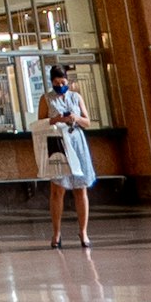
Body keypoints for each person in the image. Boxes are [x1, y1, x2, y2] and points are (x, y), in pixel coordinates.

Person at [40, 64, 97, 249]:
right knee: (57, 189)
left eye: (63, 82)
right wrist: (57, 120)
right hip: (58, 144)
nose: (60, 86)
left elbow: (87, 122)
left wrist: (75, 118)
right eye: (56, 83)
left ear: (68, 81)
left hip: (77, 143)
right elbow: (40, 124)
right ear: (51, 82)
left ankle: (84, 231)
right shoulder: (46, 99)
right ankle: (56, 233)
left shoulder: (76, 97)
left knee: (81, 189)